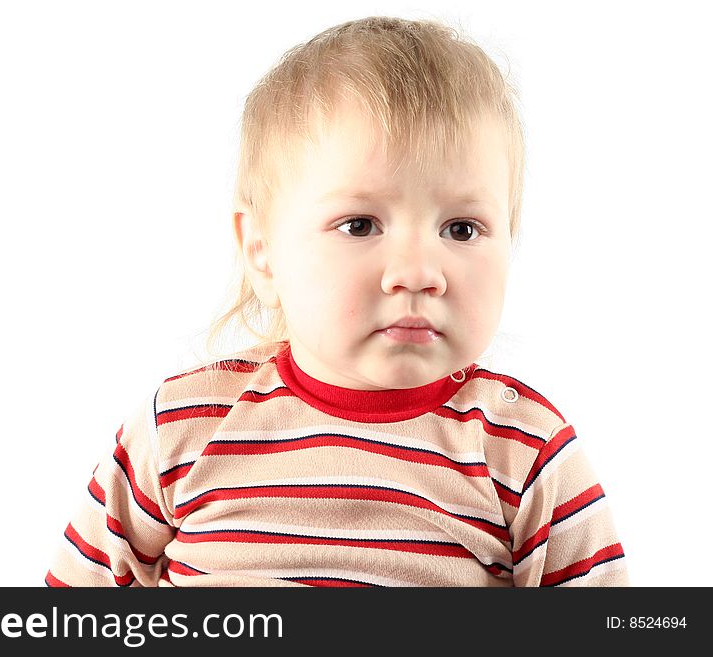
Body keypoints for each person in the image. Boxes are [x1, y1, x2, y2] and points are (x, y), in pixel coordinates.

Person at [45, 15, 628, 587]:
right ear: (262, 250)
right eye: (359, 224)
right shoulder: (180, 429)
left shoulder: (524, 452)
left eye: (462, 229)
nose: (419, 273)